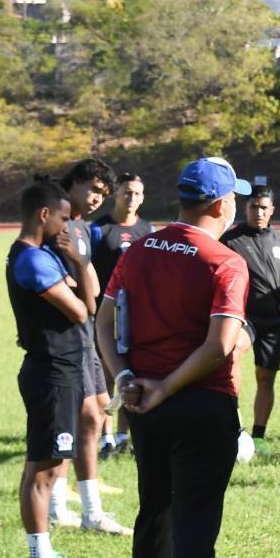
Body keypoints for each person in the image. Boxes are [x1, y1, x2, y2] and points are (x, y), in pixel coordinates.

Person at [97, 156, 254, 558]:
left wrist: (124, 375)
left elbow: (103, 319)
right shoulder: (225, 261)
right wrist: (167, 385)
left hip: (144, 402)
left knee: (155, 509)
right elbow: (220, 345)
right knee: (196, 519)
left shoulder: (140, 248)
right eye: (234, 199)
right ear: (220, 203)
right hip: (201, 402)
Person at [6, 179, 98, 558]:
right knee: (43, 471)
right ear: (44, 214)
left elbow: (90, 302)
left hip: (62, 369)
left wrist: (77, 262)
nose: (66, 225)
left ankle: (45, 557)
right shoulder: (32, 261)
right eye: (62, 217)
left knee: (51, 464)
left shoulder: (47, 256)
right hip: (51, 372)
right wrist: (74, 267)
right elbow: (81, 311)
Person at [54, 157, 131, 535]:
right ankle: (67, 506)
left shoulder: (86, 229)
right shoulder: (56, 225)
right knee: (74, 418)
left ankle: (87, 509)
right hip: (63, 336)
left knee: (96, 411)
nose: (99, 198)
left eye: (104, 192)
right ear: (74, 184)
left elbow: (94, 288)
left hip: (86, 330)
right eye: (94, 189)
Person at [222, 187, 280, 455]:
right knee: (234, 350)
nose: (258, 212)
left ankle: (258, 435)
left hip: (274, 321)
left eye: (264, 208)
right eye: (254, 207)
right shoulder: (231, 240)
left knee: (266, 377)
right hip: (243, 317)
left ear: (272, 210)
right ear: (246, 209)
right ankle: (233, 424)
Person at [91, 172, 156, 460]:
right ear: (116, 193)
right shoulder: (100, 229)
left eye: (138, 193)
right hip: (105, 313)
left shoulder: (147, 230)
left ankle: (122, 437)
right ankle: (105, 439)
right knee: (106, 374)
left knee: (131, 374)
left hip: (136, 315)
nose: (132, 198)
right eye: (127, 192)